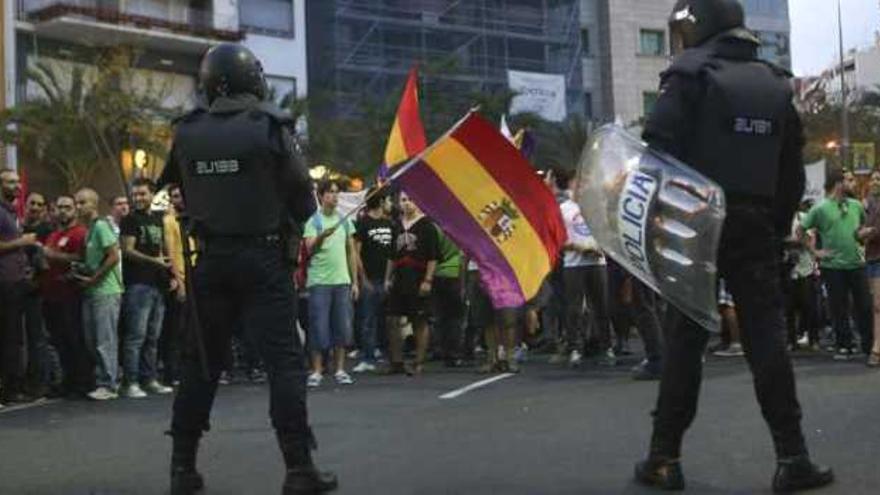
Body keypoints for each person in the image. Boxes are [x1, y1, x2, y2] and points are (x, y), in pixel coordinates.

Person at [634, 1, 833, 492]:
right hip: (755, 224)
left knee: (686, 338)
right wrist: (776, 224)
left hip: (697, 222)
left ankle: (664, 458)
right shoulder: (775, 82)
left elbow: (656, 146)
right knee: (767, 340)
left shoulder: (688, 73)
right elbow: (790, 173)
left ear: (698, 23)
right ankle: (792, 457)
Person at [158, 43, 337, 495]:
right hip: (263, 259)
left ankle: (183, 469)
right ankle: (298, 468)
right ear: (244, 79)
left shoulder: (187, 131)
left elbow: (177, 187)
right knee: (284, 364)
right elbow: (303, 196)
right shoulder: (270, 126)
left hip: (210, 261)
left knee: (199, 364)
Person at [800, 170, 873, 361]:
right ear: (838, 184)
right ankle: (844, 345)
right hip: (833, 266)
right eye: (849, 180)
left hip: (857, 263)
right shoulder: (820, 208)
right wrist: (815, 252)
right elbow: (801, 230)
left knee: (864, 306)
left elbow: (862, 229)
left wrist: (867, 234)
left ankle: (869, 345)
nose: (854, 183)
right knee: (838, 307)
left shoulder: (856, 205)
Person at [119, 178, 174, 398]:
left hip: (157, 284)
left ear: (152, 195)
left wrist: (170, 274)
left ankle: (149, 378)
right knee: (136, 336)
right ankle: (130, 382)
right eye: (135, 194)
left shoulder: (157, 220)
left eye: (142, 194)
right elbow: (127, 250)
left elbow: (162, 250)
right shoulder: (130, 219)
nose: (138, 198)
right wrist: (155, 262)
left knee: (153, 336)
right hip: (138, 284)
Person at [303, 180, 358, 387]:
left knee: (341, 327)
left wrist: (354, 282)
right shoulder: (313, 222)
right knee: (318, 327)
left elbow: (351, 252)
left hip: (341, 281)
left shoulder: (345, 221)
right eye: (330, 193)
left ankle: (340, 369)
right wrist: (320, 238)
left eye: (337, 193)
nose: (335, 197)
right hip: (319, 282)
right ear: (321, 196)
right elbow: (309, 250)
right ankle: (316, 370)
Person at [74, 188, 124, 401]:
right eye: (77, 202)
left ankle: (109, 384)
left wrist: (94, 278)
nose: (78, 207)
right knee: (92, 339)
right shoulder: (89, 230)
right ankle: (107, 377)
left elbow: (113, 256)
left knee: (105, 339)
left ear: (93, 204)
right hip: (91, 290)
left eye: (82, 202)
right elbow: (93, 260)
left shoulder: (102, 226)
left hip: (106, 290)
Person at [384, 191, 439, 375]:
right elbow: (391, 256)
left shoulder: (427, 226)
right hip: (399, 277)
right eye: (404, 200)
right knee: (392, 318)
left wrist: (428, 280)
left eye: (411, 200)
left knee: (419, 320)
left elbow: (433, 257)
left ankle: (418, 362)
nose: (407, 204)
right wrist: (387, 278)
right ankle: (397, 361)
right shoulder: (396, 226)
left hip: (418, 276)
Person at [41, 195, 90, 397]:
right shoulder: (53, 235)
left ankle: (81, 383)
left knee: (74, 340)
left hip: (70, 295)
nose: (63, 211)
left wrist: (53, 256)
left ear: (75, 210)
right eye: (60, 207)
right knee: (58, 341)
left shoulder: (80, 233)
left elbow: (83, 258)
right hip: (50, 294)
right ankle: (67, 382)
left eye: (67, 207)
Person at [0, 169, 39, 404]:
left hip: (17, 280)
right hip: (5, 282)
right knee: (10, 337)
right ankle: (10, 390)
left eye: (17, 182)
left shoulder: (12, 212)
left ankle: (14, 385)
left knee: (15, 337)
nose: (16, 186)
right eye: (10, 182)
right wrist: (22, 242)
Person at [352, 188, 394, 373]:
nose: (389, 203)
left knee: (385, 319)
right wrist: (363, 278)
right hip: (369, 278)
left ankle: (383, 353)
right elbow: (356, 253)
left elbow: (392, 254)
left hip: (385, 278)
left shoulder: (390, 224)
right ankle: (367, 356)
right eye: (387, 200)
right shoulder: (362, 224)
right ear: (381, 201)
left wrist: (388, 278)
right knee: (367, 319)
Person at [863, 170, 880, 367]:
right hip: (871, 257)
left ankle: (876, 348)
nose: (875, 181)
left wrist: (869, 232)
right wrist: (860, 232)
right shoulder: (867, 204)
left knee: (877, 306)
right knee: (876, 306)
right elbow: (856, 229)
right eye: (873, 178)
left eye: (879, 179)